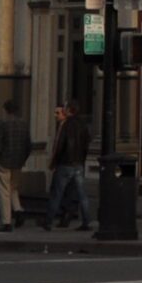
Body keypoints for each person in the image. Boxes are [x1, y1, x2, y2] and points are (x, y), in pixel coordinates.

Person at [46, 99, 92, 232]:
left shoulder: (65, 125)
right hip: (78, 164)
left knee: (57, 193)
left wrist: (53, 162)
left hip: (65, 163)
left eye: (65, 107)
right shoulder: (83, 125)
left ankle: (49, 220)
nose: (63, 109)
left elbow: (59, 146)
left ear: (69, 110)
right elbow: (86, 144)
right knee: (81, 194)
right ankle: (86, 221)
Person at [0, 97, 33, 230]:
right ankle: (19, 210)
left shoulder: (1, 123)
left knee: (4, 191)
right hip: (18, 162)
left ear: (5, 110)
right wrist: (23, 159)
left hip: (3, 161)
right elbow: (28, 145)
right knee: (13, 188)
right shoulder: (23, 124)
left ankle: (6, 222)